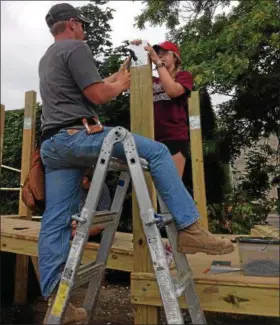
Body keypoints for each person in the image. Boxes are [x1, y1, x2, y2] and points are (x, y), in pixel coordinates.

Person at [38, 3, 234, 324]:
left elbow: (89, 89)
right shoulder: (77, 47)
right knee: (155, 153)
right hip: (80, 135)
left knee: (55, 220)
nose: (84, 30)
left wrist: (117, 76)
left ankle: (55, 302)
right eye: (82, 25)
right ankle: (189, 228)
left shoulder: (50, 56)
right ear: (72, 24)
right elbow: (100, 95)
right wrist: (120, 86)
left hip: (53, 145)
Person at [131, 39, 192, 178]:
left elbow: (172, 91)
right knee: (151, 191)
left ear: (175, 57)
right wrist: (136, 52)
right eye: (158, 54)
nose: (160, 56)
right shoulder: (151, 80)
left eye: (165, 53)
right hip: (151, 139)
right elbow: (128, 79)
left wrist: (157, 63)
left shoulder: (184, 76)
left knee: (171, 188)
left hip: (174, 139)